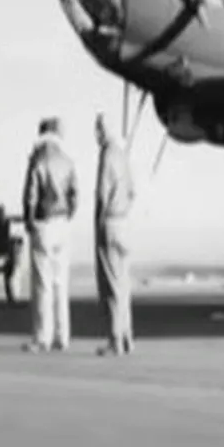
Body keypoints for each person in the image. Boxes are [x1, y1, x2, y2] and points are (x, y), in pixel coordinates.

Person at [21, 117, 78, 352]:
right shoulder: (67, 160)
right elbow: (75, 195)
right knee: (60, 284)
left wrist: (29, 220)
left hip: (43, 223)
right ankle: (62, 336)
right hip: (63, 223)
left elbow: (30, 195)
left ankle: (42, 337)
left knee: (42, 284)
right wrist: (68, 215)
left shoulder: (38, 159)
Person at [93, 112, 136, 355]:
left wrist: (100, 220)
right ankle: (128, 337)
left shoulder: (107, 154)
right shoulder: (122, 154)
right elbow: (132, 190)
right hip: (124, 223)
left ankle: (115, 339)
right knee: (124, 284)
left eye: (98, 128)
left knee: (110, 285)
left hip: (109, 222)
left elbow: (101, 193)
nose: (96, 134)